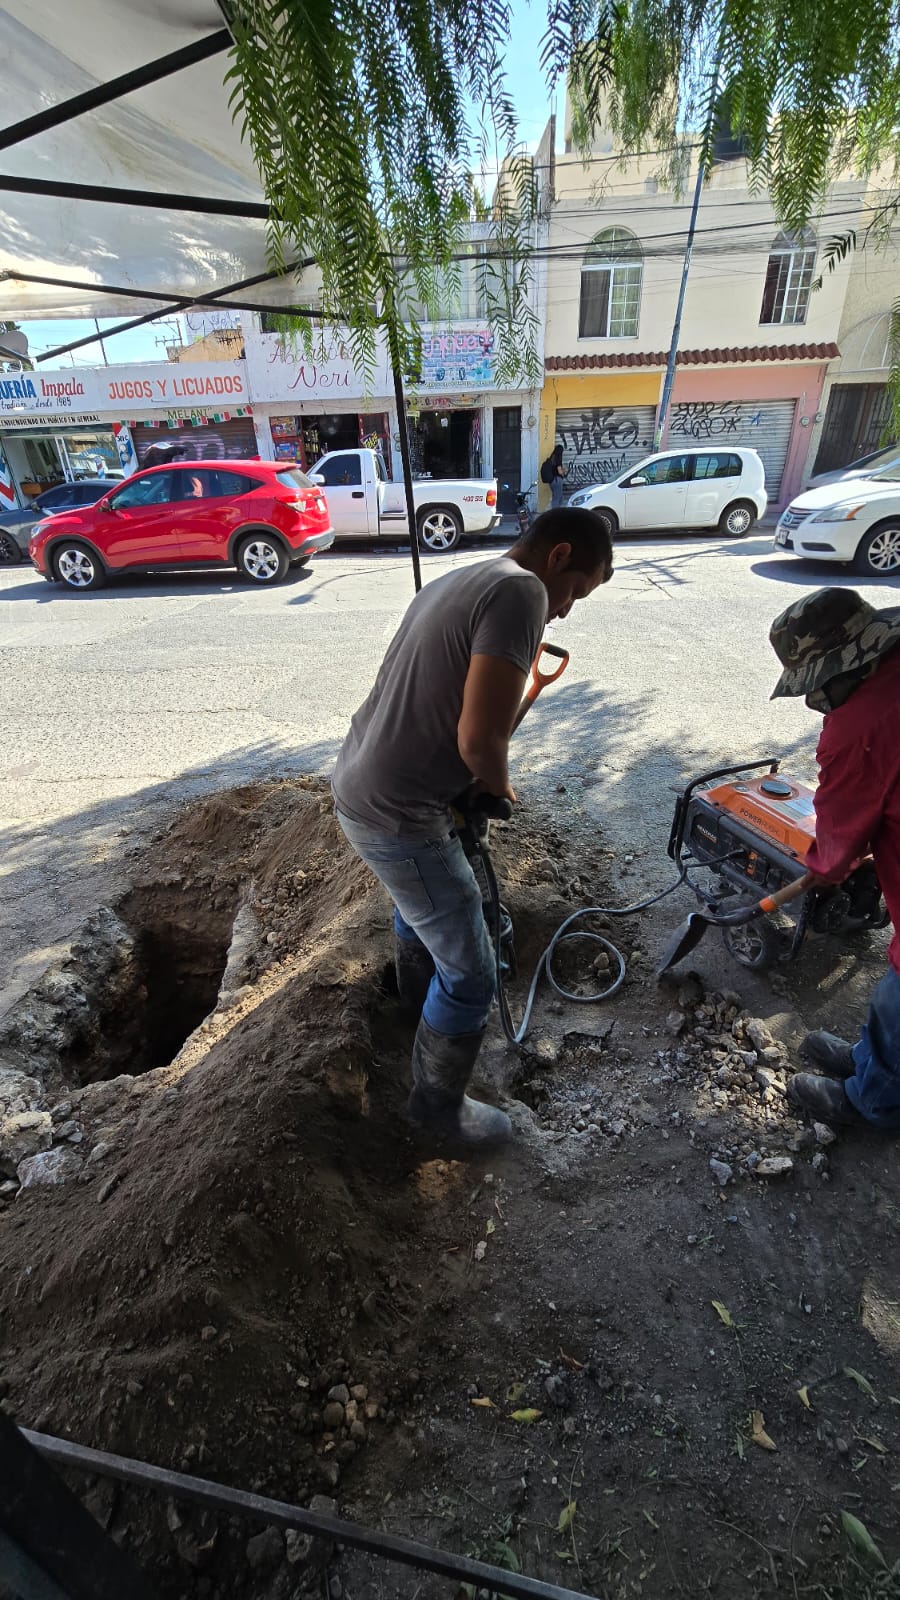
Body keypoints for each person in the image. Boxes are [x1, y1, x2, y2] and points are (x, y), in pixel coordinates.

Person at [332, 508, 614, 1148]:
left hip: (361, 782)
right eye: (576, 591)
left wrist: (469, 781)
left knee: (422, 908)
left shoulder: (462, 577)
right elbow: (480, 737)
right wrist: (496, 785)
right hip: (400, 813)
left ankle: (414, 1010)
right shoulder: (523, 590)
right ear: (558, 555)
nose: (565, 610)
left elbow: (443, 706)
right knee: (472, 974)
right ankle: (437, 1111)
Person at [768, 587, 900, 1130]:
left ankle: (871, 1102)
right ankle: (871, 1062)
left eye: (816, 687)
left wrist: (822, 870)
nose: (813, 701)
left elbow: (839, 833)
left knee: (898, 998)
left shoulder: (860, 726)